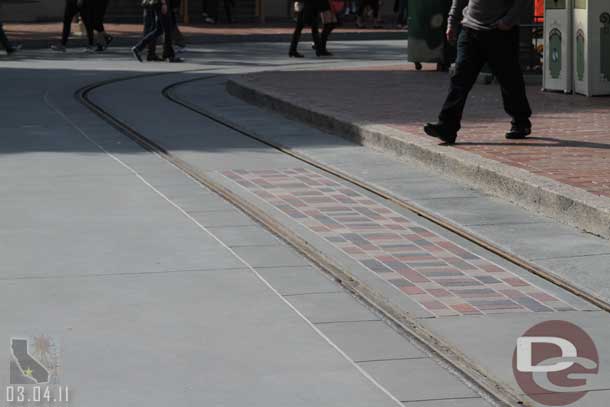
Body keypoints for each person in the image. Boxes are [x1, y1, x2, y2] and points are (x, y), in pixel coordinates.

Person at [424, 0, 532, 144]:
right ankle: (447, 127)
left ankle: (521, 122)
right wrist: (452, 22)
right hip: (470, 29)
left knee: (509, 80)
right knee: (459, 79)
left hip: (500, 32)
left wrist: (507, 21)